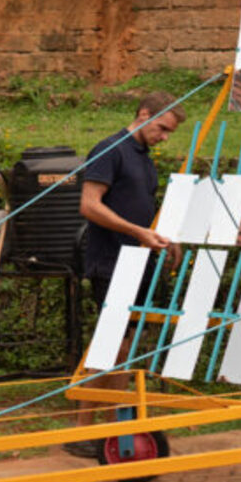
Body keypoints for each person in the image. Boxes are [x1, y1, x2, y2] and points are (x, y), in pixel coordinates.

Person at [67, 91, 184, 456]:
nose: (164, 137)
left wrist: (164, 236)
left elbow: (140, 211)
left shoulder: (145, 161)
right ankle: (91, 431)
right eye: (162, 128)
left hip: (138, 263)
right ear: (145, 114)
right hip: (109, 261)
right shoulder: (110, 150)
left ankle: (102, 430)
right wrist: (138, 233)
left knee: (125, 347)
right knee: (113, 346)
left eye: (169, 133)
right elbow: (89, 205)